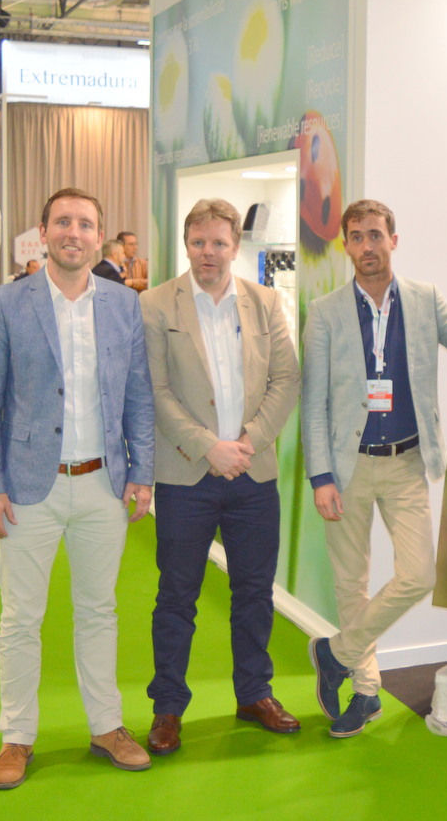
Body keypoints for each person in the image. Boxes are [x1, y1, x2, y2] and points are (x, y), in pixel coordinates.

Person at [302, 198, 447, 737]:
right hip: (347, 467)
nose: (366, 246)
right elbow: (313, 402)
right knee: (351, 584)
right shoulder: (325, 312)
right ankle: (366, 690)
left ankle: (334, 653)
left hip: (406, 461)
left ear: (393, 240)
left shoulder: (424, 300)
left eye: (375, 235)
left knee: (419, 574)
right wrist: (321, 477)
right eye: (356, 237)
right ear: (345, 245)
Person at [0, 187, 155, 789]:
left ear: (100, 236)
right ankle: (17, 736)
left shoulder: (124, 304)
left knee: (99, 611)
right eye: (63, 222)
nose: (74, 232)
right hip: (28, 488)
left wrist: (142, 472)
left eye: (86, 224)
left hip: (103, 485)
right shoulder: (7, 303)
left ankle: (107, 726)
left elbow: (138, 394)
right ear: (44, 231)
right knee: (21, 617)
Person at [140, 198, 302, 755]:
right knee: (177, 595)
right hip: (186, 475)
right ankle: (167, 707)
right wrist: (209, 447)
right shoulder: (155, 304)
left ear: (235, 247)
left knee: (254, 591)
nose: (207, 253)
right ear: (187, 244)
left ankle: (254, 693)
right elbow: (156, 390)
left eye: (218, 243)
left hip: (253, 475)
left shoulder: (265, 302)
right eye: (198, 242)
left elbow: (286, 379)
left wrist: (248, 442)